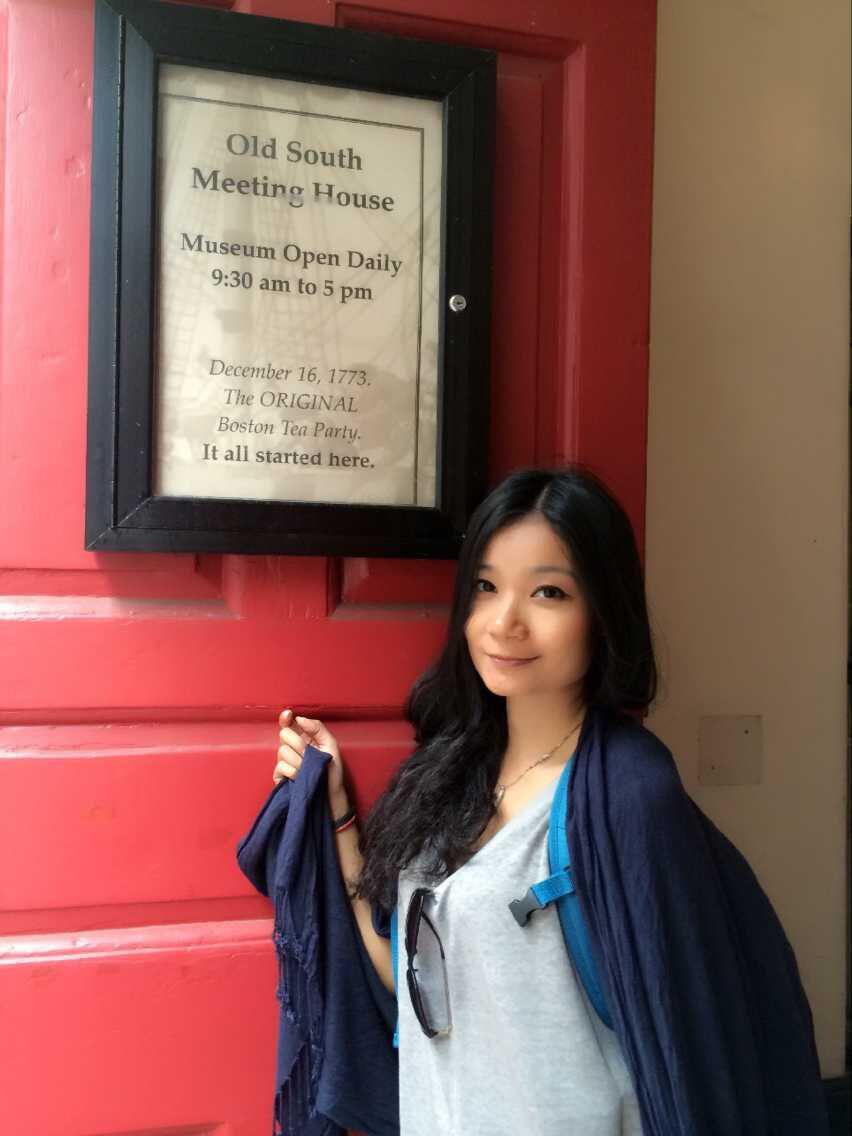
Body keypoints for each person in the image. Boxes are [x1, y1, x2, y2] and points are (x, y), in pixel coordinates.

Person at [269, 463, 827, 1135]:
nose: (504, 622)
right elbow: (409, 976)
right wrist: (338, 815)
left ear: (602, 613)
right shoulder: (449, 772)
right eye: (486, 587)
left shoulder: (627, 797)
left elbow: (692, 1049)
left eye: (548, 593)